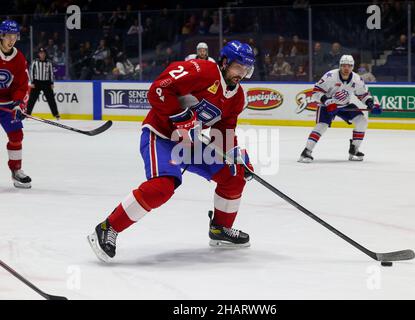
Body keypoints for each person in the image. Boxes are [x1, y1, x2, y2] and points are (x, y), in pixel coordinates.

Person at [88, 40, 256, 262]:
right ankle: (107, 228)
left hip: (190, 144)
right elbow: (157, 89)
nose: (241, 74)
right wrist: (181, 116)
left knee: (233, 175)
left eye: (246, 70)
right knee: (162, 186)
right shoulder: (201, 70)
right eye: (238, 68)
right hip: (162, 135)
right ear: (224, 62)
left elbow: (223, 130)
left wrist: (235, 155)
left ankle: (220, 229)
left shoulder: (237, 96)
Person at [298, 55, 382, 163]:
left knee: (362, 121)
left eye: (349, 66)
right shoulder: (330, 76)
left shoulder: (357, 79)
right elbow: (316, 92)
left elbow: (363, 94)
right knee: (321, 126)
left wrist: (370, 104)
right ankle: (306, 151)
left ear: (353, 67)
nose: (346, 68)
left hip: (344, 105)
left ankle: (354, 150)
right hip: (326, 105)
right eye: (344, 66)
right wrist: (327, 101)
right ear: (340, 66)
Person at [0, 20, 32, 188]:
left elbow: (22, 85)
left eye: (15, 36)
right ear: (2, 36)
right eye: (9, 36)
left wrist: (19, 104)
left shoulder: (18, 58)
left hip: (7, 104)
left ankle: (16, 171)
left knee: (16, 136)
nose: (11, 40)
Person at [27, 48, 60, 119]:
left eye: (43, 53)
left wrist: (51, 83)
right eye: (41, 53)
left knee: (51, 99)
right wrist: (32, 82)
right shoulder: (35, 62)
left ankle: (56, 114)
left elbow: (51, 73)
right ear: (38, 54)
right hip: (36, 83)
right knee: (32, 99)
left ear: (45, 54)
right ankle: (27, 113)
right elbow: (31, 72)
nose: (42, 54)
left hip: (46, 83)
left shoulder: (49, 62)